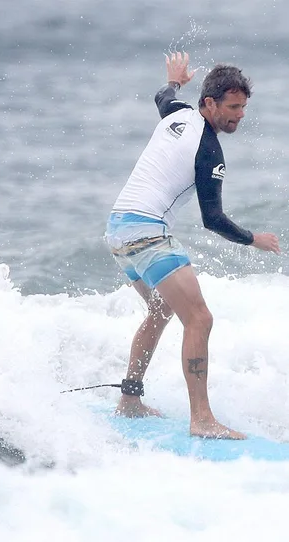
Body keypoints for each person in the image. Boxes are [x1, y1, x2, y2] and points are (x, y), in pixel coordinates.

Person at [105, 52, 280, 440]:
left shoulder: (177, 113)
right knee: (199, 319)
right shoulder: (209, 149)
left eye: (243, 107)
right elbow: (212, 218)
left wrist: (174, 81)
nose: (240, 115)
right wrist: (255, 239)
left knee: (160, 310)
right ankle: (201, 419)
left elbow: (160, 96)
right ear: (210, 104)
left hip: (118, 230)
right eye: (233, 107)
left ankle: (130, 400)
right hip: (147, 233)